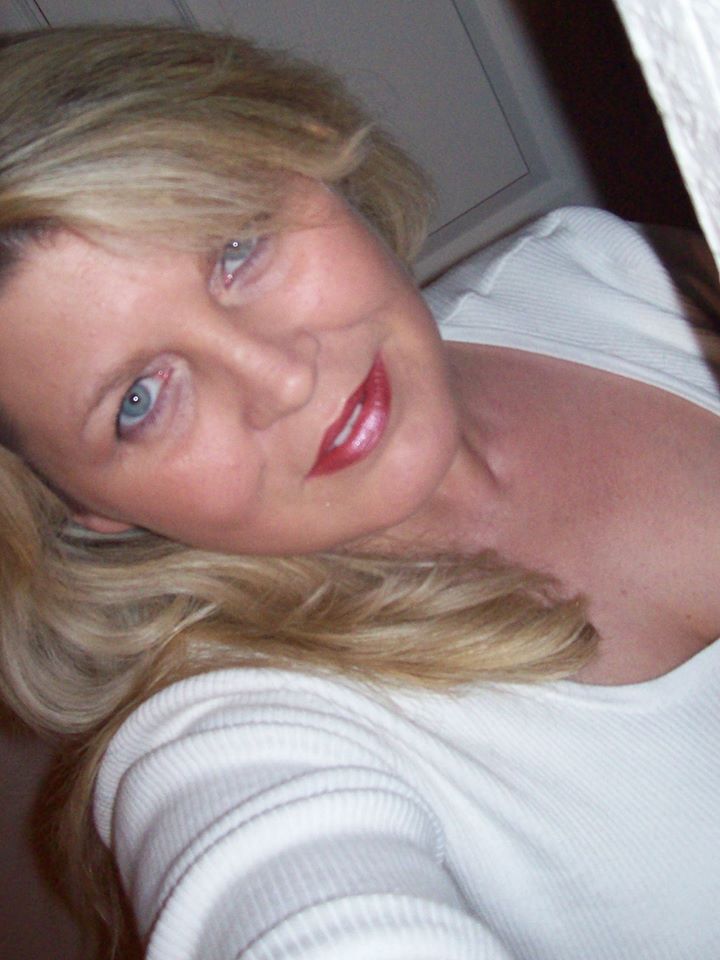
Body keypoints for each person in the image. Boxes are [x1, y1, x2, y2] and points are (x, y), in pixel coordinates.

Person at [1, 23, 719, 960]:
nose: (281, 377)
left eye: (237, 246)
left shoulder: (597, 270)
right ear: (82, 503)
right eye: (138, 400)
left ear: (310, 148)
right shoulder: (230, 739)